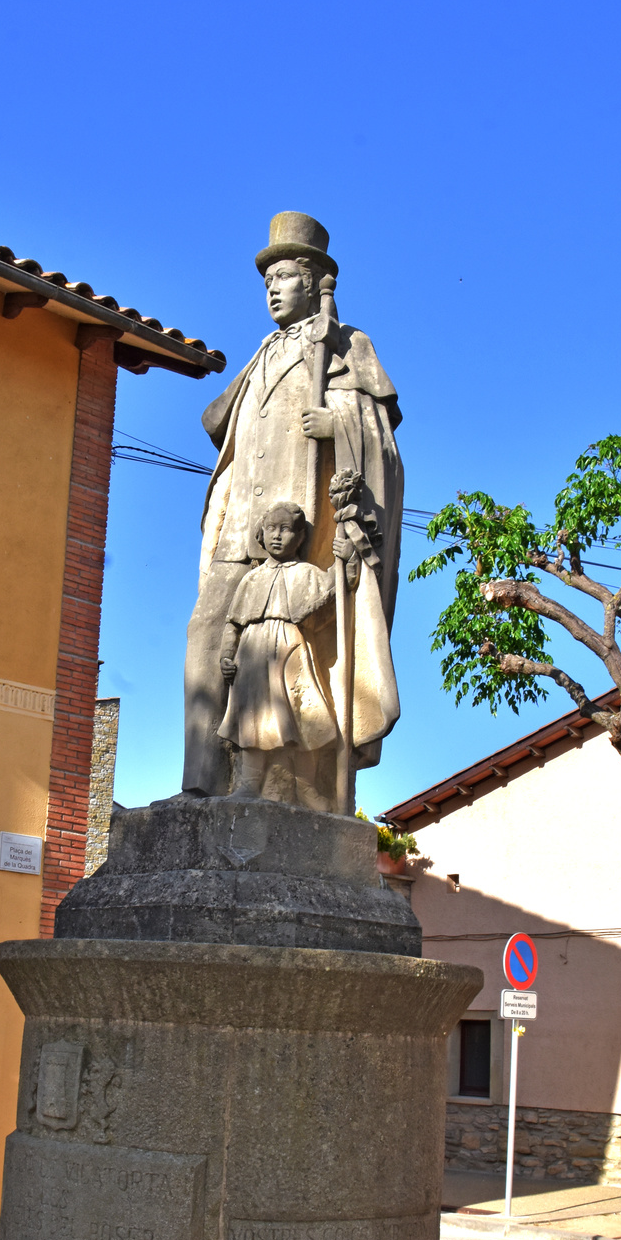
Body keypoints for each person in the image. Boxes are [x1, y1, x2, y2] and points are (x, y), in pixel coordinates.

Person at [183, 212, 403, 803]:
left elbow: (383, 445)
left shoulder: (345, 345)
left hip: (300, 527)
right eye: (266, 281)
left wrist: (342, 422)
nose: (272, 289)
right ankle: (201, 782)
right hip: (239, 529)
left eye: (283, 276)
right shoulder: (261, 353)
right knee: (208, 630)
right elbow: (216, 424)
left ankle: (291, 786)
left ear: (313, 281)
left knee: (294, 651)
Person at [217, 502, 357, 811]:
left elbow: (337, 589)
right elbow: (234, 624)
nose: (277, 536)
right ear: (261, 534)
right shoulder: (250, 580)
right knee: (252, 719)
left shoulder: (307, 573)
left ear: (300, 535)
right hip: (252, 654)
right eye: (271, 529)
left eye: (286, 529)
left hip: (293, 647)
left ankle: (305, 785)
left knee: (303, 715)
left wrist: (345, 560)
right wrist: (227, 657)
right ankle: (249, 784)